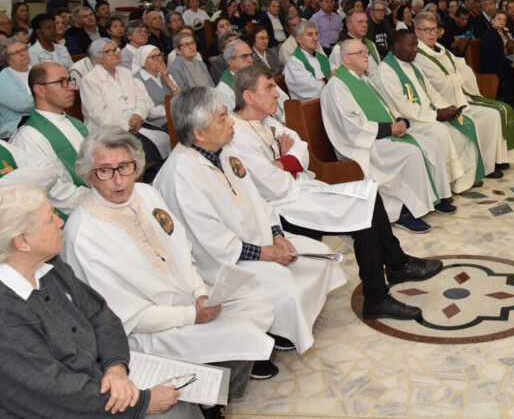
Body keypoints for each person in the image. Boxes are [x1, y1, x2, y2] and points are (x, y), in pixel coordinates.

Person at [63, 129, 278, 403]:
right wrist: (191, 316)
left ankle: (218, 385)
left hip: (189, 302)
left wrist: (201, 292)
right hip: (150, 331)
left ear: (136, 166)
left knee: (259, 307)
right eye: (105, 171)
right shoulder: (84, 233)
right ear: (88, 175)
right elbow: (124, 316)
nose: (118, 180)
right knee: (242, 332)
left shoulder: (147, 194)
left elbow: (182, 250)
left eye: (125, 167)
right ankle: (211, 397)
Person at [224, 66, 441, 317]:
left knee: (370, 194)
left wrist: (284, 162)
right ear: (248, 97)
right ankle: (377, 296)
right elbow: (274, 185)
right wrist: (287, 163)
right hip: (282, 207)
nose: (276, 94)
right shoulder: (236, 135)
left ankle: (396, 265)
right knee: (365, 212)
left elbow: (301, 147)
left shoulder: (267, 120)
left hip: (301, 190)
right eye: (269, 87)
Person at [155, 87, 345, 354]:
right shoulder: (181, 175)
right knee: (286, 287)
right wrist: (265, 253)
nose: (232, 121)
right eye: (222, 117)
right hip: (224, 264)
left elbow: (258, 200)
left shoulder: (224, 151)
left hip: (262, 242)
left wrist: (278, 235)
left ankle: (285, 325)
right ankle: (280, 331)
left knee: (320, 256)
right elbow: (210, 242)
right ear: (199, 132)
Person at [0, 185, 190, 418]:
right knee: (173, 413)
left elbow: (101, 315)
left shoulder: (50, 267)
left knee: (183, 393)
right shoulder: (6, 312)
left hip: (102, 384)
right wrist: (140, 403)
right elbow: (49, 391)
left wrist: (116, 368)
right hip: (69, 407)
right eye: (50, 219)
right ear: (22, 242)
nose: (60, 223)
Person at [323, 39, 454, 234]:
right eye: (359, 53)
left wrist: (400, 121)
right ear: (346, 60)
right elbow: (351, 127)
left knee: (430, 143)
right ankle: (405, 211)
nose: (365, 55)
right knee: (410, 153)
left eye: (365, 51)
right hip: (360, 144)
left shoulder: (362, 79)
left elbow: (385, 107)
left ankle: (438, 197)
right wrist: (388, 130)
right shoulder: (338, 86)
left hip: (378, 135)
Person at [374, 30, 482, 194]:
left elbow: (431, 93)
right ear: (397, 45)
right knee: (440, 131)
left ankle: (462, 179)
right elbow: (404, 107)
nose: (416, 49)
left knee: (460, 125)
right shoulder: (386, 71)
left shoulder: (413, 65)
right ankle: (444, 186)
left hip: (427, 114)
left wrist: (446, 108)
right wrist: (436, 115)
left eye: (416, 45)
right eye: (411, 45)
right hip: (409, 121)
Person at [412, 13, 514, 177]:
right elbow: (442, 83)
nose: (432, 34)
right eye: (426, 30)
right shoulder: (418, 55)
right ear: (416, 31)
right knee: (484, 118)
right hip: (447, 103)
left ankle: (495, 160)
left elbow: (462, 66)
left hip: (462, 96)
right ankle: (484, 167)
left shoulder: (440, 48)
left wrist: (457, 76)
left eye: (434, 29)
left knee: (495, 114)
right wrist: (458, 76)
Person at [11, 63, 91, 214]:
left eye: (70, 80)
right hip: (69, 216)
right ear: (40, 90)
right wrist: (95, 199)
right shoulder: (29, 136)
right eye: (62, 82)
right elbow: (48, 189)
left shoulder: (75, 123)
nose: (71, 87)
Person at [80, 38, 170, 167]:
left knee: (165, 137)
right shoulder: (90, 80)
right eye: (109, 51)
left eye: (116, 49)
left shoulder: (126, 73)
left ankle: (154, 178)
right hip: (110, 130)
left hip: (137, 123)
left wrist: (138, 116)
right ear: (97, 57)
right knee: (142, 149)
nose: (116, 53)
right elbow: (98, 115)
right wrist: (127, 125)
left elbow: (142, 99)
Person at [480, 10, 514, 108]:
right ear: (492, 21)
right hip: (497, 65)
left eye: (504, 20)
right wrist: (512, 64)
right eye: (499, 19)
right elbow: (494, 56)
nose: (502, 21)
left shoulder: (508, 33)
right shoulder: (490, 34)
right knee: (511, 73)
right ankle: (509, 106)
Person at [282, 20, 331, 100]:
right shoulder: (294, 62)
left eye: (316, 34)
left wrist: (323, 81)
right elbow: (311, 88)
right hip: (308, 107)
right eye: (310, 34)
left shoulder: (323, 58)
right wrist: (327, 80)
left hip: (327, 100)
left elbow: (336, 76)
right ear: (299, 39)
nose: (315, 38)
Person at [133, 45, 179, 128]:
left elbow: (181, 99)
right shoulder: (138, 80)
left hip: (176, 116)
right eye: (153, 57)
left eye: (159, 55)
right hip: (158, 123)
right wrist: (174, 106)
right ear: (143, 62)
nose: (159, 59)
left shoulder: (164, 73)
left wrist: (167, 79)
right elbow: (150, 112)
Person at [0, 37, 35, 138]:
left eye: (24, 49)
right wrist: (51, 97)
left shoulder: (37, 69)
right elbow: (24, 104)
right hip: (18, 126)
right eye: (16, 53)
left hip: (43, 116)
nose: (23, 54)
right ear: (7, 59)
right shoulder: (3, 79)